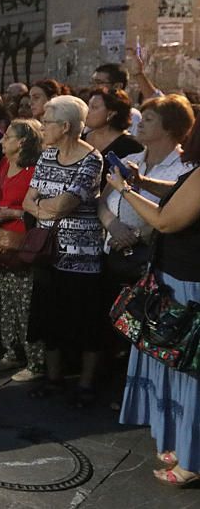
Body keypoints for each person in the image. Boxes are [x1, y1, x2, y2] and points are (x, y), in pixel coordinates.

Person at [108, 120, 200, 488]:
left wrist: (124, 191)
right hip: (178, 280)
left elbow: (164, 220)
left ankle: (192, 458)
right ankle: (185, 446)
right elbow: (179, 195)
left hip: (189, 288)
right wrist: (140, 182)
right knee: (178, 370)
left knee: (189, 376)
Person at [22, 95, 104, 407]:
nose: (42, 127)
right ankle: (54, 379)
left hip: (82, 256)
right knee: (50, 317)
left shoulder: (91, 160)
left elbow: (63, 206)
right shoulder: (46, 156)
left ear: (66, 126)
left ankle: (85, 385)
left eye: (47, 122)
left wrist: (45, 207)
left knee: (85, 320)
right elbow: (28, 201)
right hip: (48, 253)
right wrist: (48, 208)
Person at [0, 119, 44, 381]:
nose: (1, 140)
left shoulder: (34, 171)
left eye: (7, 137)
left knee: (25, 303)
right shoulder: (4, 164)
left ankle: (35, 361)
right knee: (4, 299)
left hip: (22, 245)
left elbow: (39, 210)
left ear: (21, 142)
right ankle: (11, 350)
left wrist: (10, 212)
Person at [84, 88, 144, 177]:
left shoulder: (131, 146)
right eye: (88, 106)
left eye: (94, 107)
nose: (87, 111)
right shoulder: (81, 138)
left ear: (111, 113)